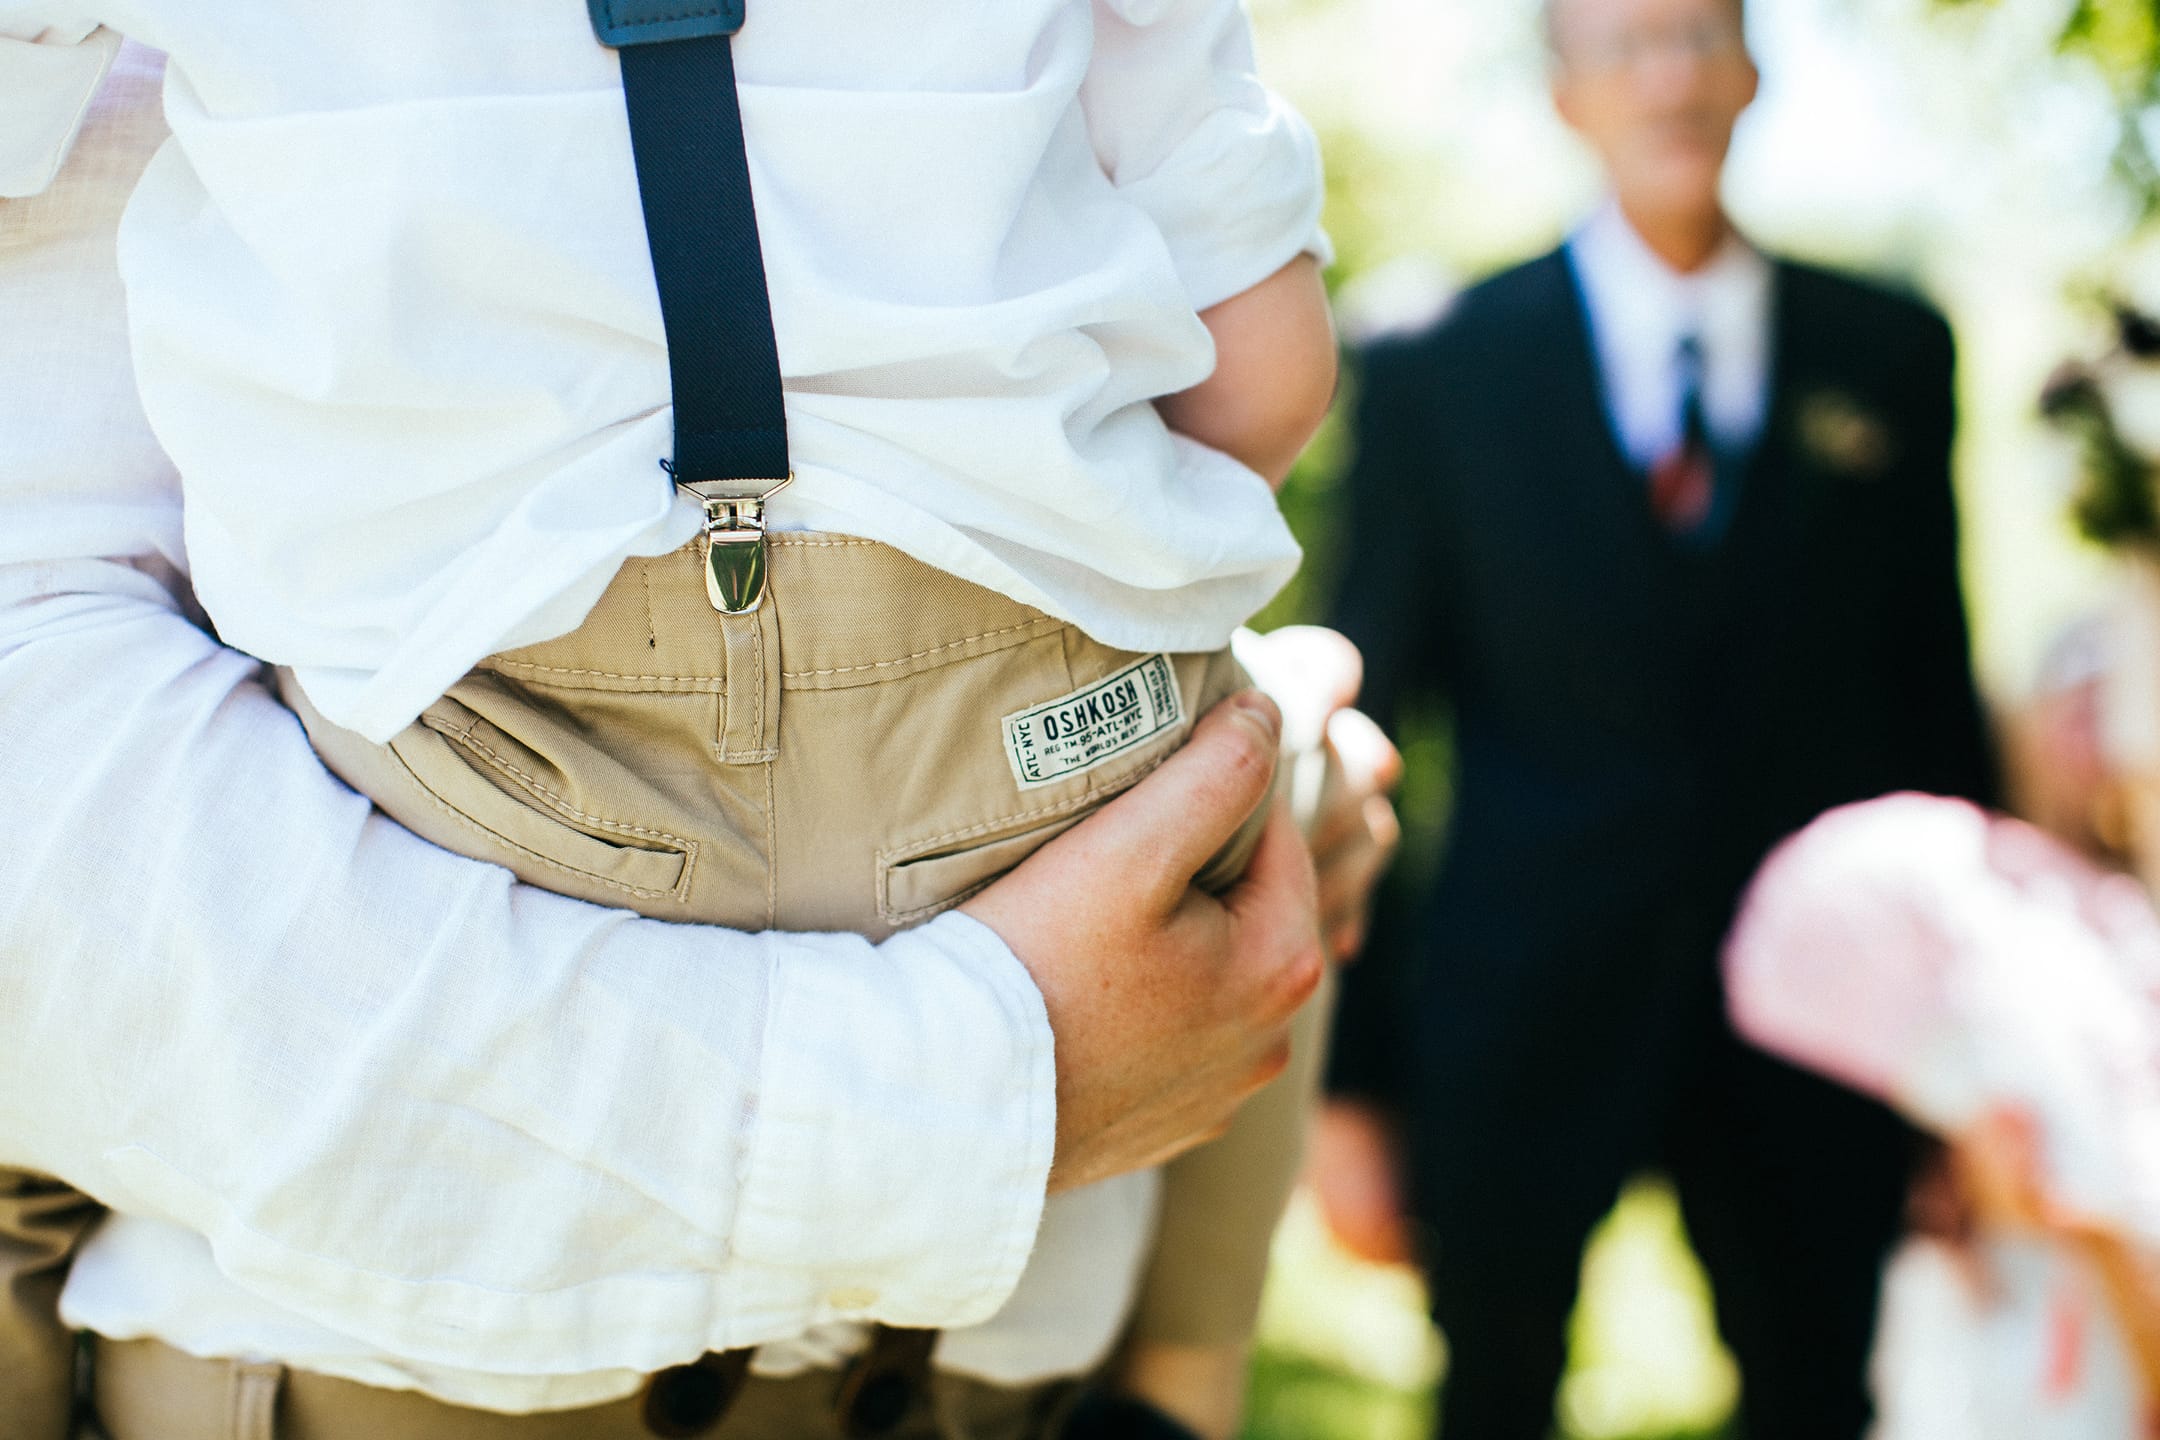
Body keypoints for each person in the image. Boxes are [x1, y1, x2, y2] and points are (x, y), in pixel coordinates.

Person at [0, 12, 1396, 1440]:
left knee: (1282, 751)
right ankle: (1190, 1379)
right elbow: (1264, 372)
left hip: (500, 771)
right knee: (1255, 748)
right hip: (421, 1347)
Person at [1312, 0, 1999, 1435]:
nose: (1669, 77)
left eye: (1700, 35)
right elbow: (1360, 733)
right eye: (1625, 44)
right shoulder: (1435, 358)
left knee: (1824, 1397)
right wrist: (1352, 1088)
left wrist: (1966, 1067)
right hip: (1518, 1012)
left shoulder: (1887, 350)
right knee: (1491, 1398)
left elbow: (1930, 711)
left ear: (1755, 66)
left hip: (1822, 1031)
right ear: (1566, 93)